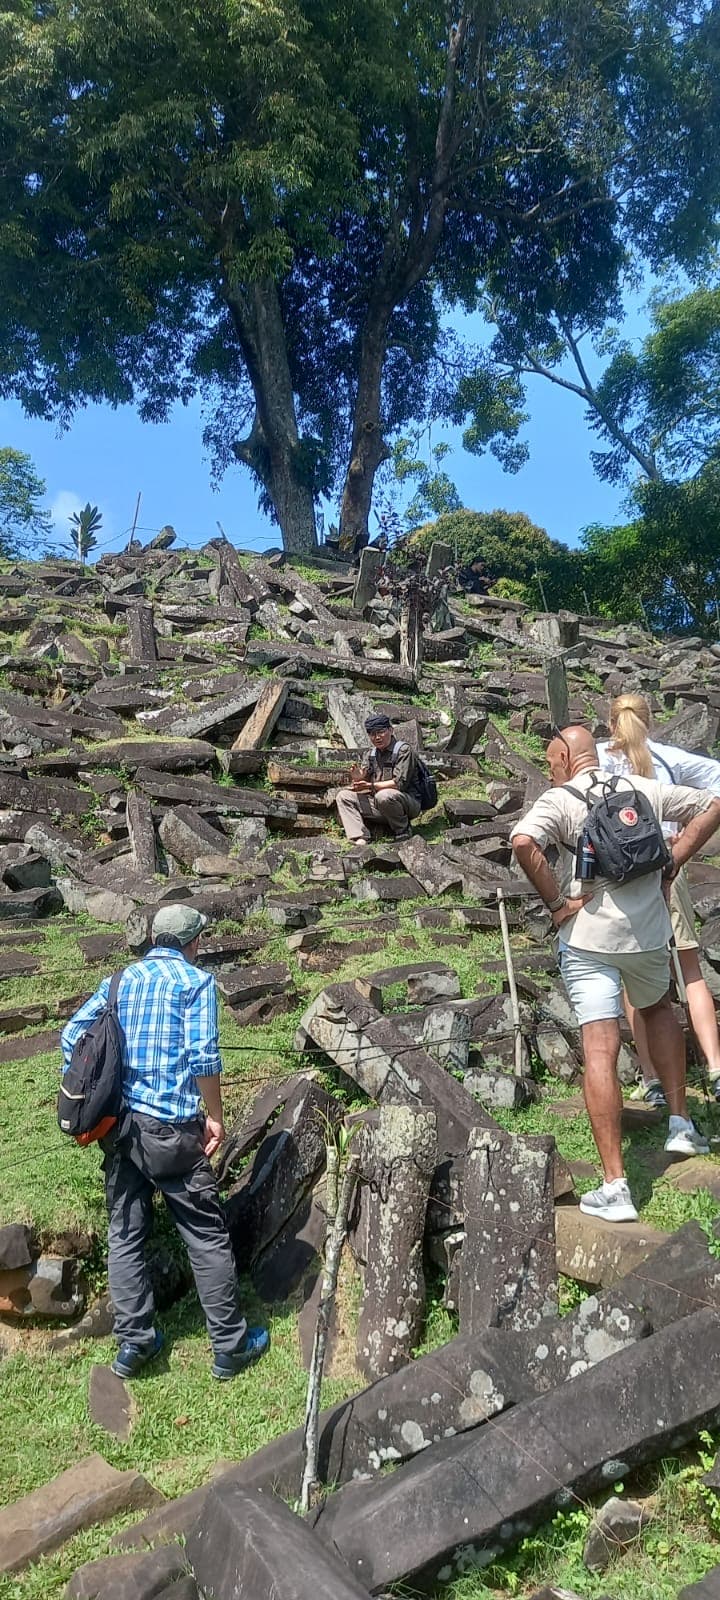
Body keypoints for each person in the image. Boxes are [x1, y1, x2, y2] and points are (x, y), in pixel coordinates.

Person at [511, 725, 720, 1223]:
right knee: (658, 1011)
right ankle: (680, 1124)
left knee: (600, 1046)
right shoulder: (643, 788)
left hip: (589, 940)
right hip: (648, 936)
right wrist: (673, 861)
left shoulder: (560, 799)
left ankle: (616, 1186)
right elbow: (711, 803)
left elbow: (522, 843)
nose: (549, 769)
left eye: (550, 761)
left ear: (565, 757)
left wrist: (559, 905)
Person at [61, 904, 269, 1381]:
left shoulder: (119, 982)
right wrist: (215, 1118)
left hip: (122, 1130)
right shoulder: (194, 983)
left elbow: (73, 1036)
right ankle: (230, 1346)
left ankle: (134, 1344)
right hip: (174, 1132)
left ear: (155, 938)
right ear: (193, 942)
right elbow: (203, 1057)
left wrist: (104, 1092)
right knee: (205, 1235)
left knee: (126, 1235)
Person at [598, 693, 720, 1107]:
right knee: (691, 969)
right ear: (649, 722)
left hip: (626, 877)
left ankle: (652, 1078)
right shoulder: (668, 758)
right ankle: (716, 1066)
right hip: (671, 864)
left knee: (636, 978)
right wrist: (683, 838)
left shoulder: (600, 757)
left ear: (611, 723)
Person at [335, 713, 422, 844]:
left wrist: (371, 786)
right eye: (372, 734)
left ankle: (402, 830)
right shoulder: (370, 754)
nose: (377, 737)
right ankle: (360, 836)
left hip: (407, 803)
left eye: (381, 732)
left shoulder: (404, 750)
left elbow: (399, 784)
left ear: (391, 730)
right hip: (379, 803)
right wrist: (358, 777)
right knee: (343, 796)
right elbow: (364, 779)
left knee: (384, 795)